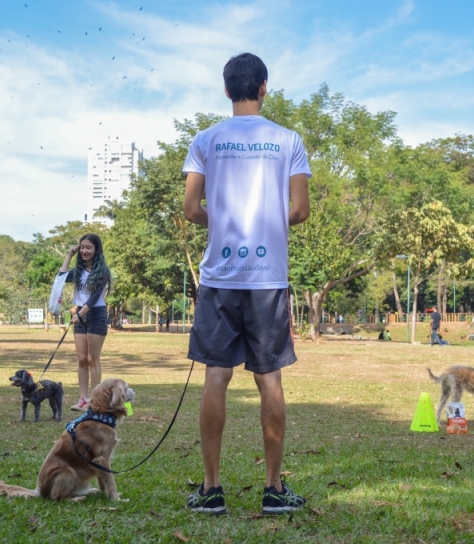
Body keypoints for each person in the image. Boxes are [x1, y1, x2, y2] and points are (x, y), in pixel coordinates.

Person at [182, 53, 311, 515]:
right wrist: (264, 228)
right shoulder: (288, 140)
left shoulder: (205, 140)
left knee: (216, 375)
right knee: (269, 378)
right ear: (263, 87)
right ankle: (274, 489)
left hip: (220, 275)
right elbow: (299, 210)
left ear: (226, 89)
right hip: (267, 277)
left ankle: (212, 489)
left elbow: (190, 207)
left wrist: (222, 225)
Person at [58, 233, 112, 411]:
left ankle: (94, 401)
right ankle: (83, 399)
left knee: (92, 359)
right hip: (80, 315)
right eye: (82, 247)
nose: (84, 250)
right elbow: (62, 278)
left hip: (95, 314)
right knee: (82, 359)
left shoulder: (102, 270)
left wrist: (80, 313)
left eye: (88, 247)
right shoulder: (78, 271)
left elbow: (95, 297)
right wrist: (68, 256)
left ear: (96, 249)